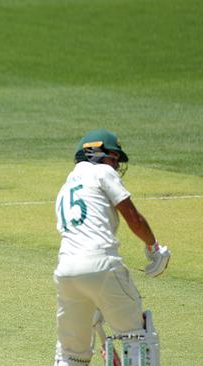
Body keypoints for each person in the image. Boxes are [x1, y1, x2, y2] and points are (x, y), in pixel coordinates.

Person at [53, 129, 171, 365]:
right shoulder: (102, 172)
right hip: (102, 265)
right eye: (114, 158)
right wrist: (153, 247)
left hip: (66, 272)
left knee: (71, 355)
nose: (116, 165)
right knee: (138, 337)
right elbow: (133, 218)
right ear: (96, 154)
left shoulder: (64, 189)